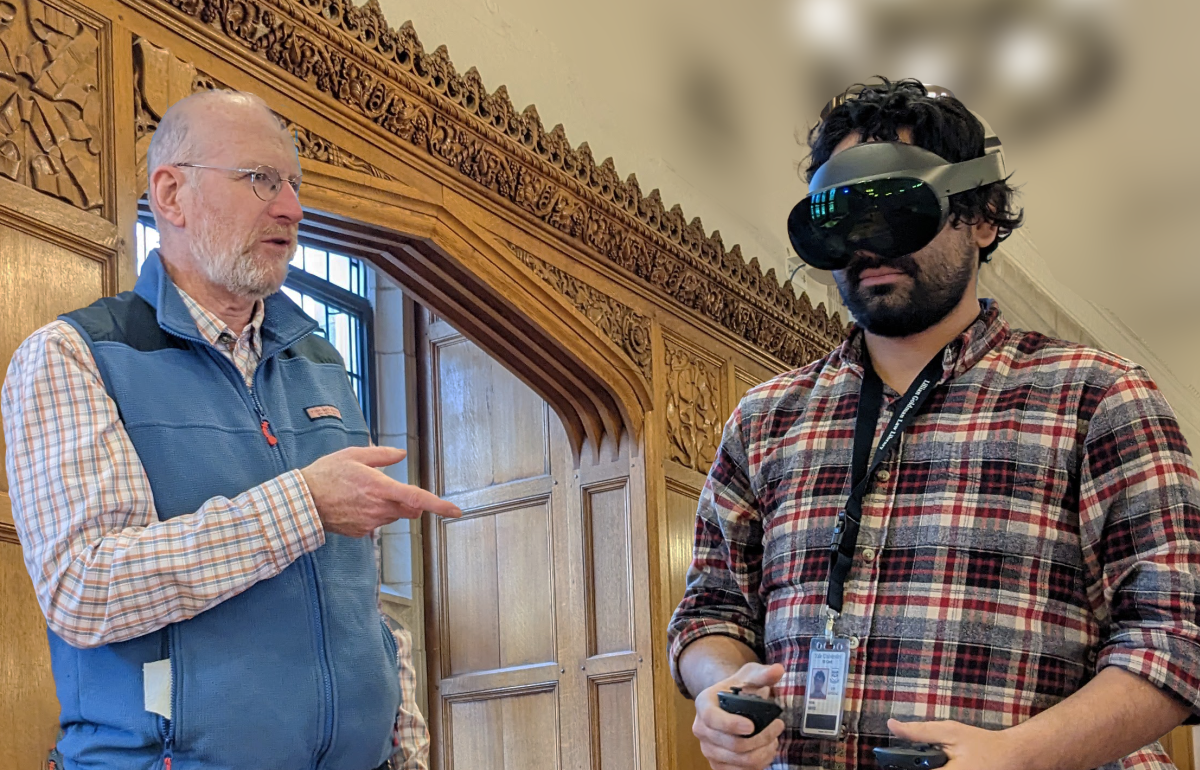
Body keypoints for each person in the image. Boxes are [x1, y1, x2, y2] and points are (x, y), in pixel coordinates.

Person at [667, 78, 1200, 770]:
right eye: (844, 223)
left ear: (981, 217)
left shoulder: (1097, 397)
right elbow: (712, 609)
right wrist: (720, 686)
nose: (869, 247)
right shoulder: (765, 419)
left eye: (900, 211)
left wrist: (1020, 755)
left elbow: (1174, 634)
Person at [1, 89, 462, 770]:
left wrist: (407, 748)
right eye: (260, 180)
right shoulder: (73, 355)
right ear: (172, 195)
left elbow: (359, 599)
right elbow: (85, 589)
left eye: (294, 185)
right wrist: (302, 504)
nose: (292, 208)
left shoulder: (320, 362)